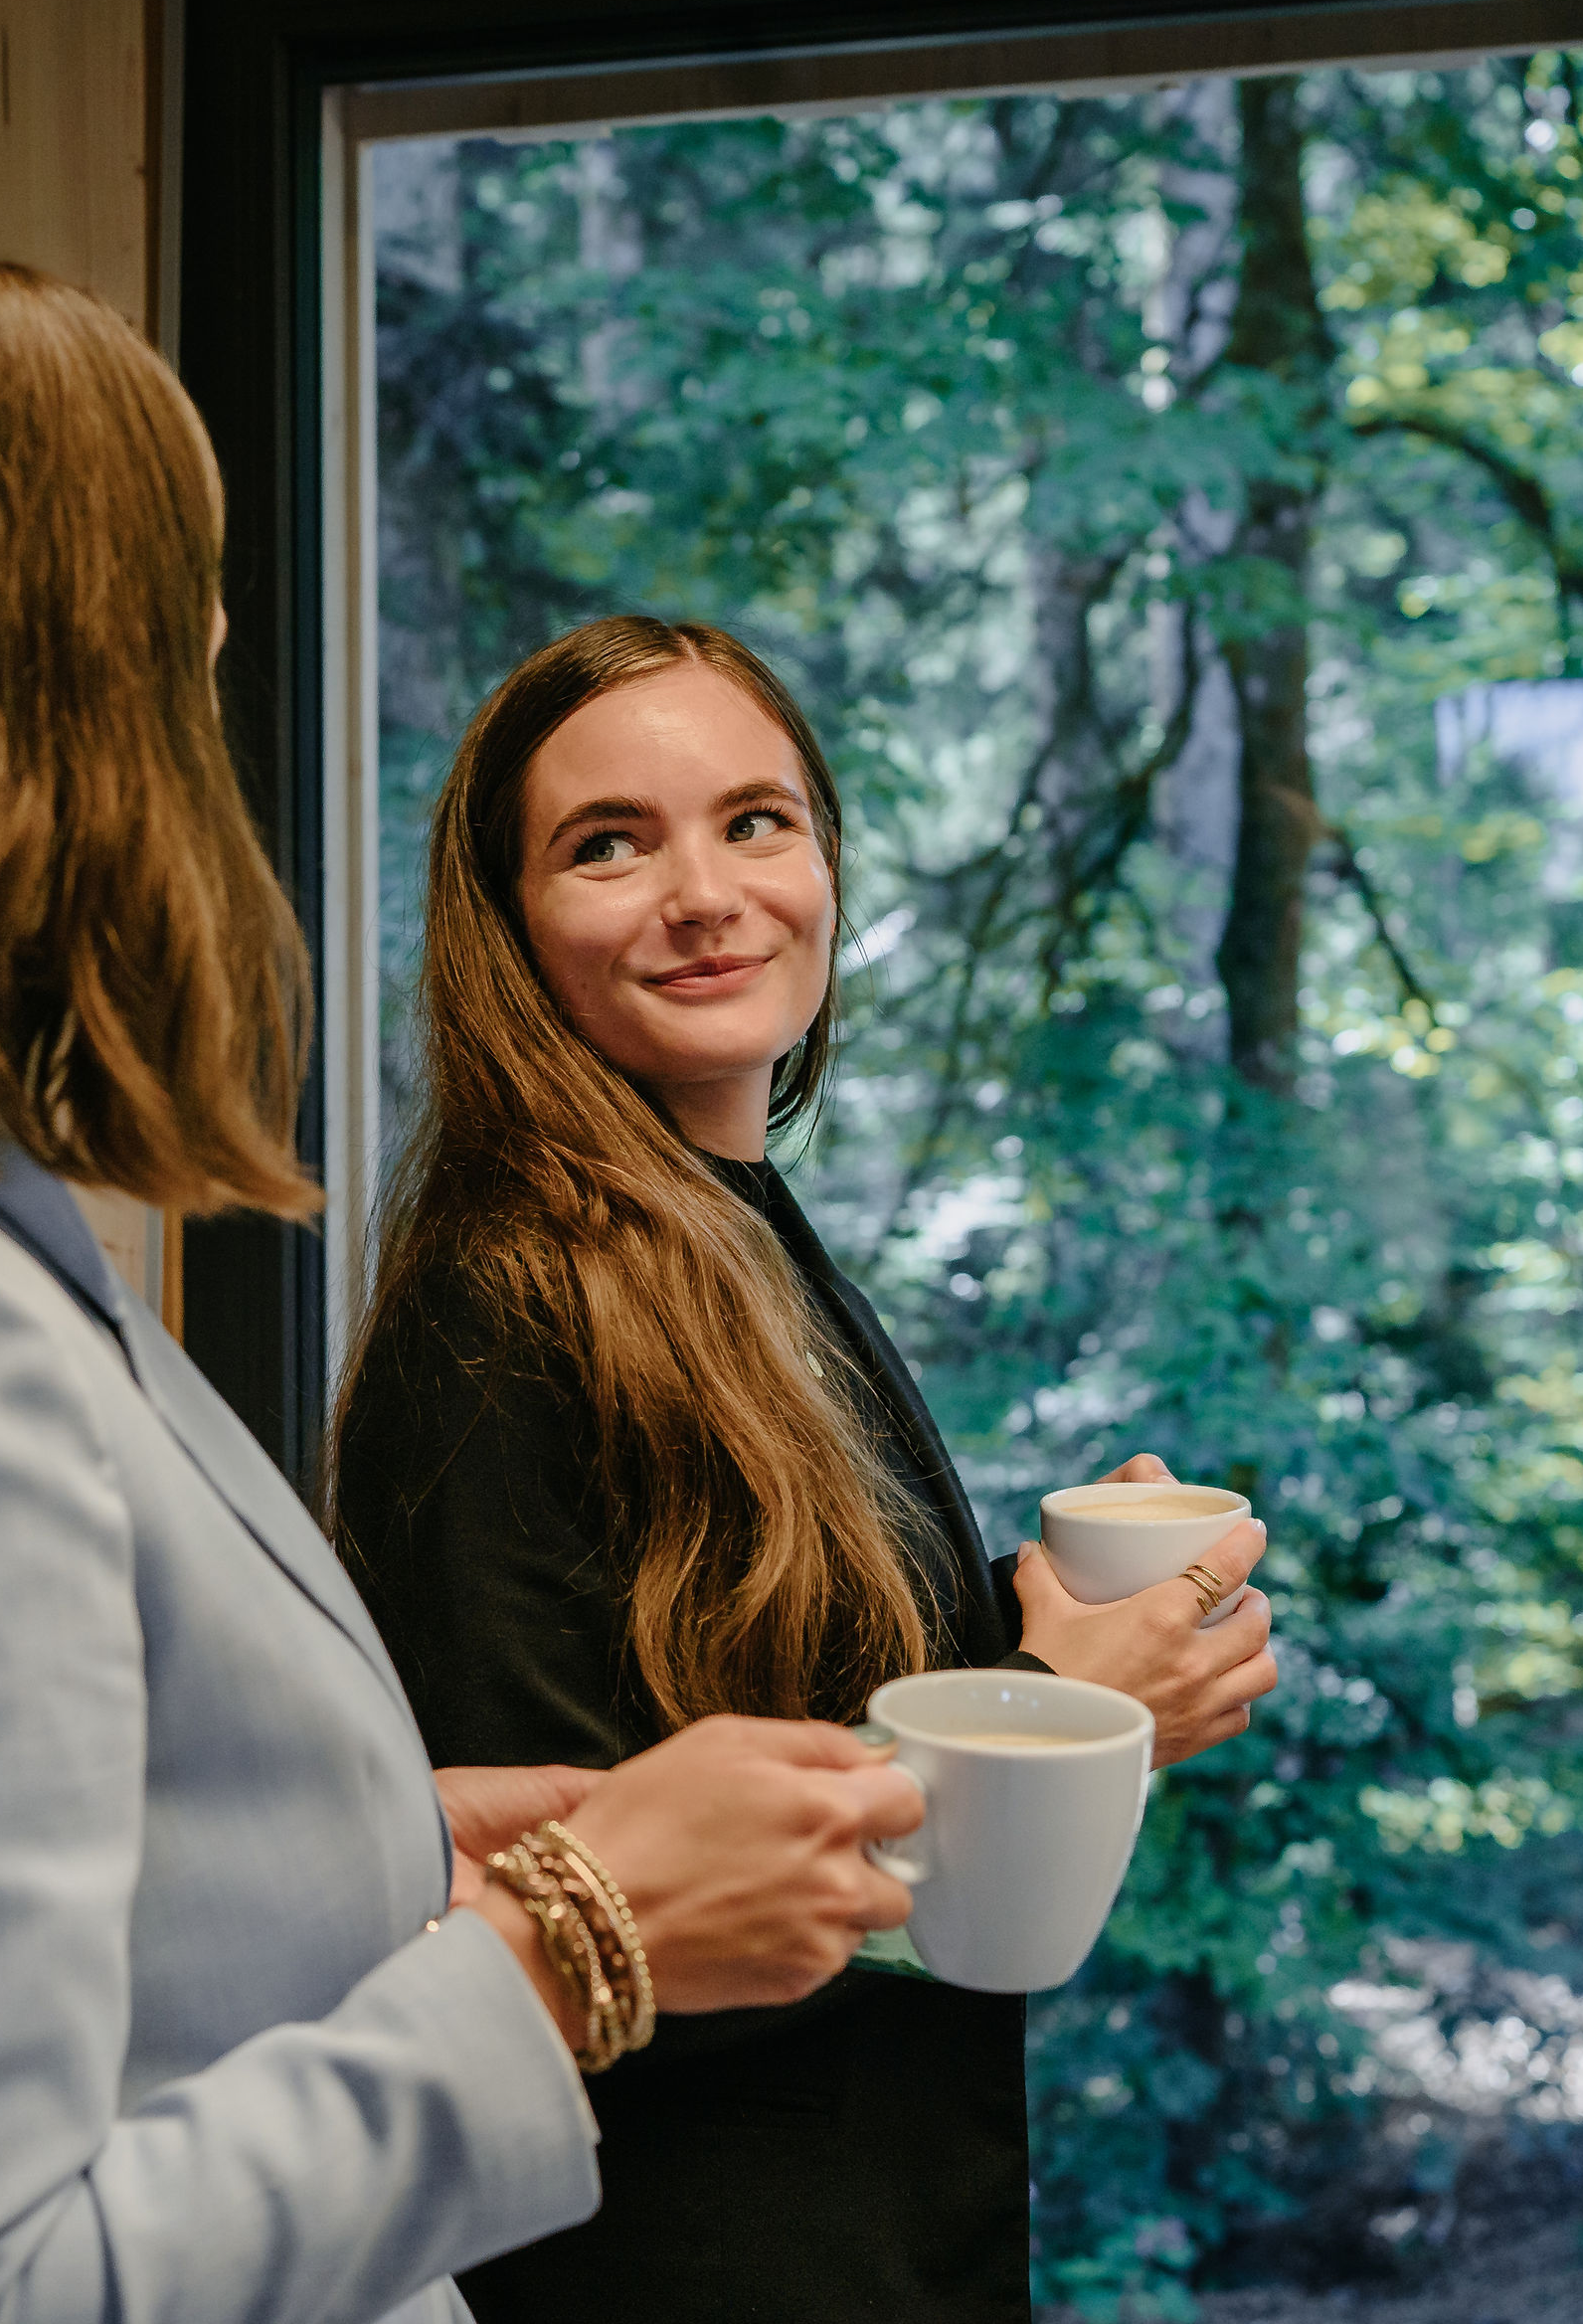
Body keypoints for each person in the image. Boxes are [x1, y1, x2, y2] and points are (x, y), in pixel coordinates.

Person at [0, 269, 930, 2324]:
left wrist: (384, 1837)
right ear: (61, 697)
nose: (224, 661)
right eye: (193, 604)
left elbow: (31, 1866)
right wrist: (581, 1938)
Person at [331, 617, 1282, 2324]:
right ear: (510, 930)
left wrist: (1070, 1658)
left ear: (828, 862)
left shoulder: (736, 1233)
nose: (705, 892)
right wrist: (1046, 1700)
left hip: (898, 2234)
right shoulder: (496, 1312)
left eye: (755, 821)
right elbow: (575, 1922)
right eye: (609, 844)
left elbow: (781, 1715)